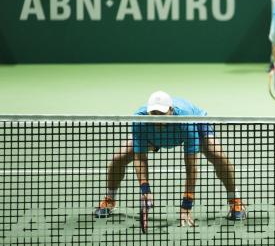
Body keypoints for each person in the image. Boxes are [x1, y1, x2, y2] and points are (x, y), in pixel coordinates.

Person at [94, 91, 246, 224]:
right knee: (118, 158)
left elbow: (191, 166)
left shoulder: (186, 120)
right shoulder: (140, 120)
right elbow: (140, 158)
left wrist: (186, 204)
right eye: (153, 113)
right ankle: (110, 199)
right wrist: (145, 189)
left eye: (162, 113)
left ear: (171, 110)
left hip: (193, 122)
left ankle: (235, 200)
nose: (157, 118)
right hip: (155, 136)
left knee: (217, 154)